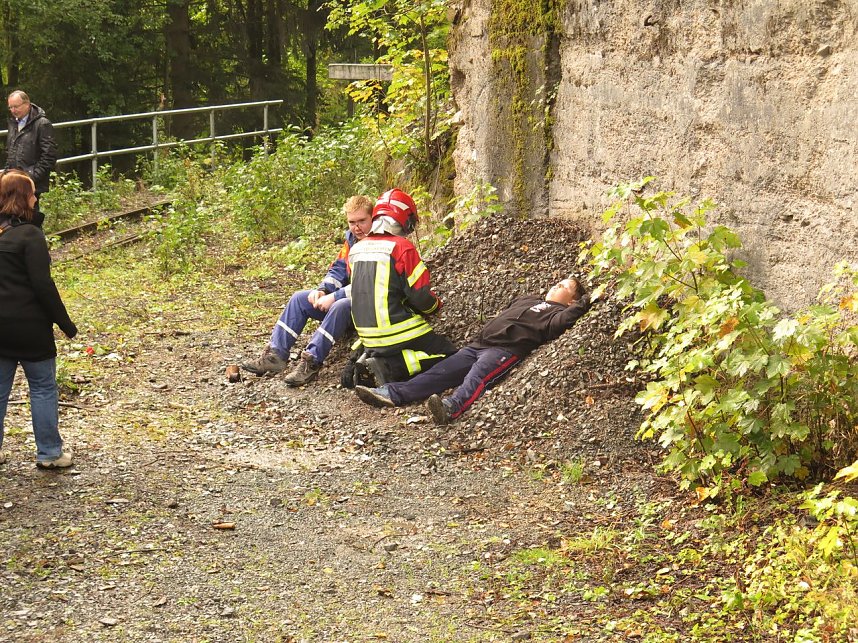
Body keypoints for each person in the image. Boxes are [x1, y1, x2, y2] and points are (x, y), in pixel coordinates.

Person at [354, 277, 592, 424]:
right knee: (439, 372)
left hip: (504, 351)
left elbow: (560, 324)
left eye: (563, 286)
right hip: (479, 344)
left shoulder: (557, 314)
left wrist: (587, 301)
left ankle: (451, 408)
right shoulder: (528, 299)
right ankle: (390, 394)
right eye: (557, 282)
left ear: (571, 301)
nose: (554, 285)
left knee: (477, 377)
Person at [241, 195, 374, 386]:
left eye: (362, 221)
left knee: (340, 305)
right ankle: (275, 356)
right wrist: (323, 290)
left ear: (372, 218)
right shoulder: (352, 240)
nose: (357, 227)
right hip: (349, 298)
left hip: (370, 308)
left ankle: (311, 362)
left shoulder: (379, 241)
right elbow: (338, 269)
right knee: (299, 299)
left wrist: (334, 297)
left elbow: (367, 284)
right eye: (352, 222)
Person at [0, 170, 77, 468]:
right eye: (32, 193)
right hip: (31, 329)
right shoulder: (30, 235)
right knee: (43, 388)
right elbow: (43, 286)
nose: (36, 198)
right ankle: (49, 453)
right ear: (23, 198)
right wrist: (65, 324)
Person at [346, 188, 455, 386]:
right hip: (396, 331)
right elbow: (421, 297)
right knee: (449, 354)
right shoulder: (402, 248)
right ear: (404, 219)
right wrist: (436, 307)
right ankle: (388, 366)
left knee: (404, 346)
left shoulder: (355, 250)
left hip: (366, 335)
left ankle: (364, 362)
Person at [5, 91, 57, 228]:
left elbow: (49, 156)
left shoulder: (42, 124)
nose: (13, 110)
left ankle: (36, 245)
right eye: (10, 107)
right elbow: (10, 151)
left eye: (16, 106)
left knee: (31, 217)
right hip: (14, 181)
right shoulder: (13, 123)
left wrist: (31, 178)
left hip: (31, 181)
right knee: (14, 219)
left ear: (27, 104)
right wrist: (6, 174)